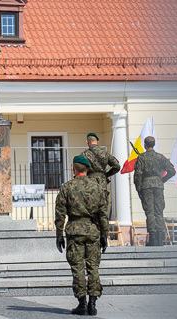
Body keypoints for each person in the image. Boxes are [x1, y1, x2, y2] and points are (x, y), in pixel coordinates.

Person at [55, 155, 108, 316]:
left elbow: (60, 214)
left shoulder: (67, 187)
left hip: (74, 231)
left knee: (78, 267)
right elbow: (103, 213)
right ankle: (92, 303)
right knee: (93, 267)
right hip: (93, 231)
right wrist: (104, 235)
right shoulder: (97, 187)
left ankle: (82, 303)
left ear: (73, 169)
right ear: (88, 169)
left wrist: (59, 235)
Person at [134, 136, 176, 246]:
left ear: (145, 145)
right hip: (158, 186)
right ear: (154, 144)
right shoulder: (160, 157)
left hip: (146, 186)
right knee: (159, 211)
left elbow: (137, 175)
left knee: (150, 212)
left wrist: (139, 189)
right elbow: (172, 171)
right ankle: (160, 238)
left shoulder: (141, 157)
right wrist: (162, 180)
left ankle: (152, 239)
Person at [81, 132, 120, 213]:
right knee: (103, 209)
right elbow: (117, 166)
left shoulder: (84, 154)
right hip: (102, 183)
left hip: (90, 183)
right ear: (97, 141)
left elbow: (80, 168)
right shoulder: (105, 153)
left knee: (91, 209)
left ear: (87, 142)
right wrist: (106, 175)